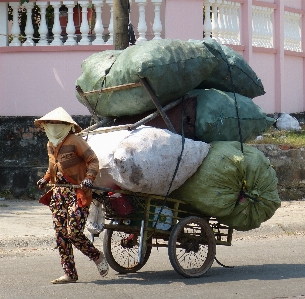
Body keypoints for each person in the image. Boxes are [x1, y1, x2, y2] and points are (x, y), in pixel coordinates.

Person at [34, 107, 108, 284]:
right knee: (61, 235)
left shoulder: (75, 141)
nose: (52, 126)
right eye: (49, 124)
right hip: (58, 194)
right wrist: (45, 179)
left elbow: (93, 161)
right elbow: (52, 167)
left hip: (78, 192)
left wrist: (90, 178)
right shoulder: (50, 144)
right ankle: (70, 273)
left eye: (56, 123)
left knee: (73, 232)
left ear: (65, 125)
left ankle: (96, 256)